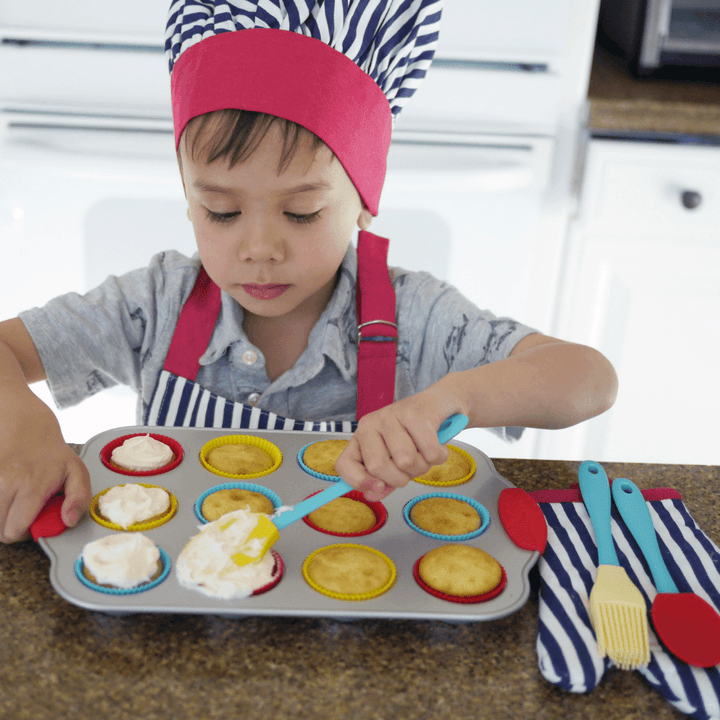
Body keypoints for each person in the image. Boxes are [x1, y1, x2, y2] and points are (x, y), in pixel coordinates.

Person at [0, 0, 617, 544]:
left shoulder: (414, 317)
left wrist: (454, 399)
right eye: (222, 211)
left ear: (364, 201)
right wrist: (25, 422)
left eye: (301, 213)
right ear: (188, 199)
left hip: (356, 598)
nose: (260, 248)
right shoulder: (153, 306)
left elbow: (588, 378)